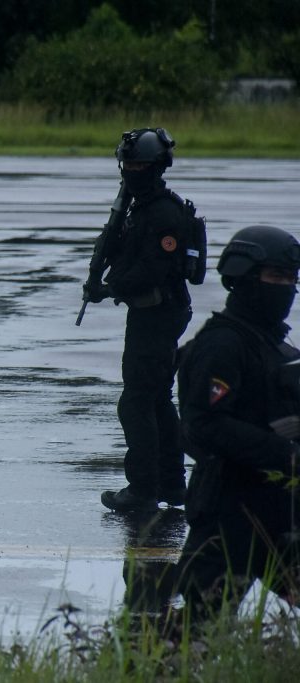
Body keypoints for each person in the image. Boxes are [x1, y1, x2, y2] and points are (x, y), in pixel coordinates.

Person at [175, 225, 300, 619]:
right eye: (276, 277)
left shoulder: (274, 346)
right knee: (198, 629)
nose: (286, 287)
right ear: (244, 277)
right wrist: (286, 453)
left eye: (291, 278)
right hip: (230, 512)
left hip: (279, 508)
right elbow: (204, 424)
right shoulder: (222, 345)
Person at [90, 128, 200, 513]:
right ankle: (171, 486)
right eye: (128, 163)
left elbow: (152, 270)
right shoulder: (141, 206)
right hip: (151, 313)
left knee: (136, 403)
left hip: (160, 313)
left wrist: (108, 287)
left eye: (140, 164)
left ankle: (142, 490)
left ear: (157, 168)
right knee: (156, 400)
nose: (132, 171)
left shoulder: (164, 212)